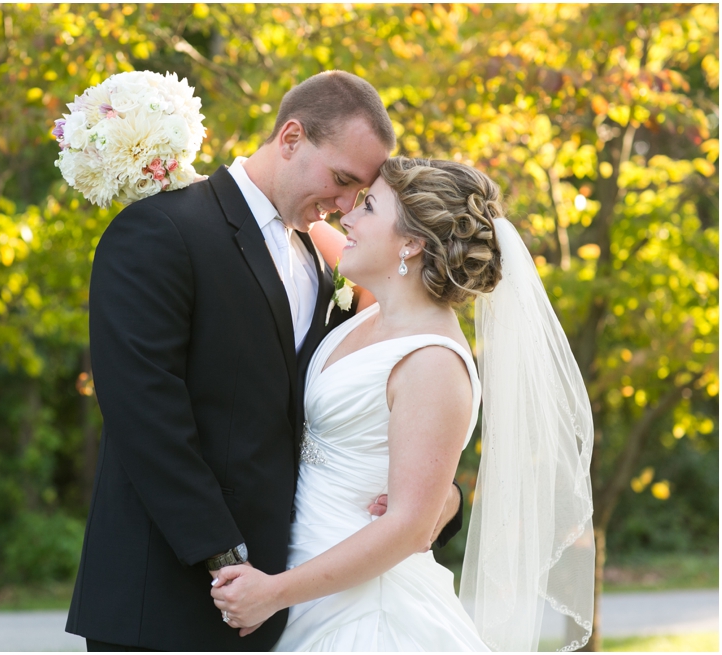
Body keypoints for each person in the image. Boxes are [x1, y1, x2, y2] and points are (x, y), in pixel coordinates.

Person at [65, 72, 466, 651]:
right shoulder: (162, 230)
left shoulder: (327, 259)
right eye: (342, 180)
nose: (345, 206)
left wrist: (443, 501)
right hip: (173, 598)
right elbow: (145, 418)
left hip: (286, 598)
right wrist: (225, 562)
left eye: (361, 194)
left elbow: (373, 410)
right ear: (291, 137)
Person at [211, 157, 595, 652]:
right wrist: (193, 177)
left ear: (411, 243)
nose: (347, 215)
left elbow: (409, 526)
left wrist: (273, 593)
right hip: (311, 585)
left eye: (368, 206)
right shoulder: (372, 308)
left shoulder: (432, 363)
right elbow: (288, 222)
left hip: (367, 608)